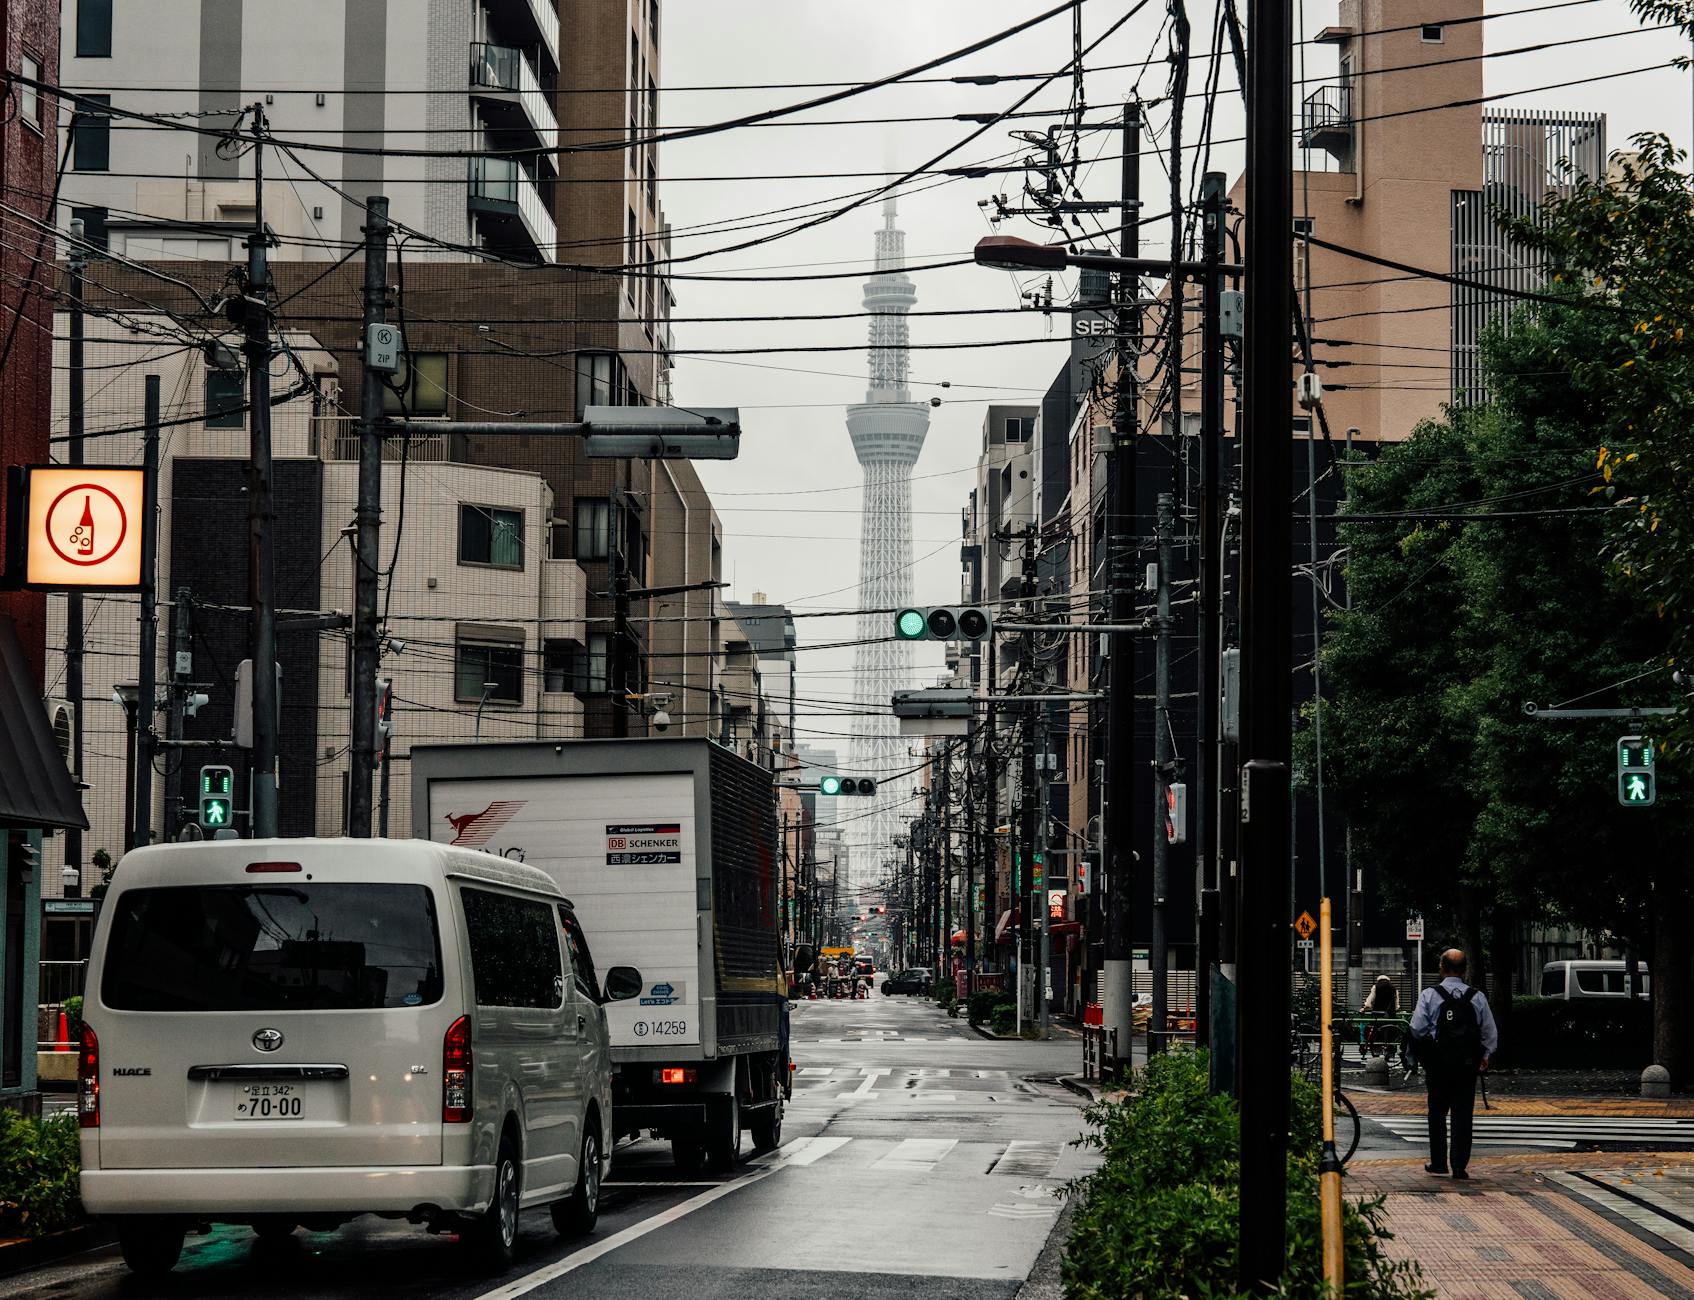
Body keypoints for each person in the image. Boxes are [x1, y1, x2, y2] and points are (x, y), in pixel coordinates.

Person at [1409, 949, 1498, 1181]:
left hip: (1438, 1064)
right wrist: (1485, 1056)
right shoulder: (1476, 997)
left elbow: (1417, 1028)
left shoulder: (1429, 995)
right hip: (1467, 1065)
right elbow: (1489, 1032)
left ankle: (1439, 1163)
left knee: (1436, 1113)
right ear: (1465, 969)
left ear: (1441, 967)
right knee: (1463, 1113)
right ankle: (1459, 1166)